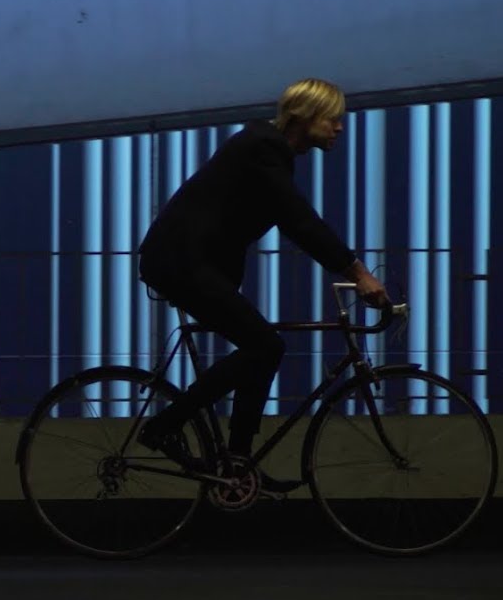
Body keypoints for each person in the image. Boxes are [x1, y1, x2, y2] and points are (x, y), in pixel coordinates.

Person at [136, 78, 390, 492]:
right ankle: (164, 426)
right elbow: (300, 222)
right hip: (179, 263)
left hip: (191, 264)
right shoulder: (262, 148)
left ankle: (238, 464)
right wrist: (358, 273)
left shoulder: (268, 151)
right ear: (304, 116)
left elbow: (292, 221)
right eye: (332, 118)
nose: (339, 127)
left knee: (264, 350)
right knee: (265, 347)